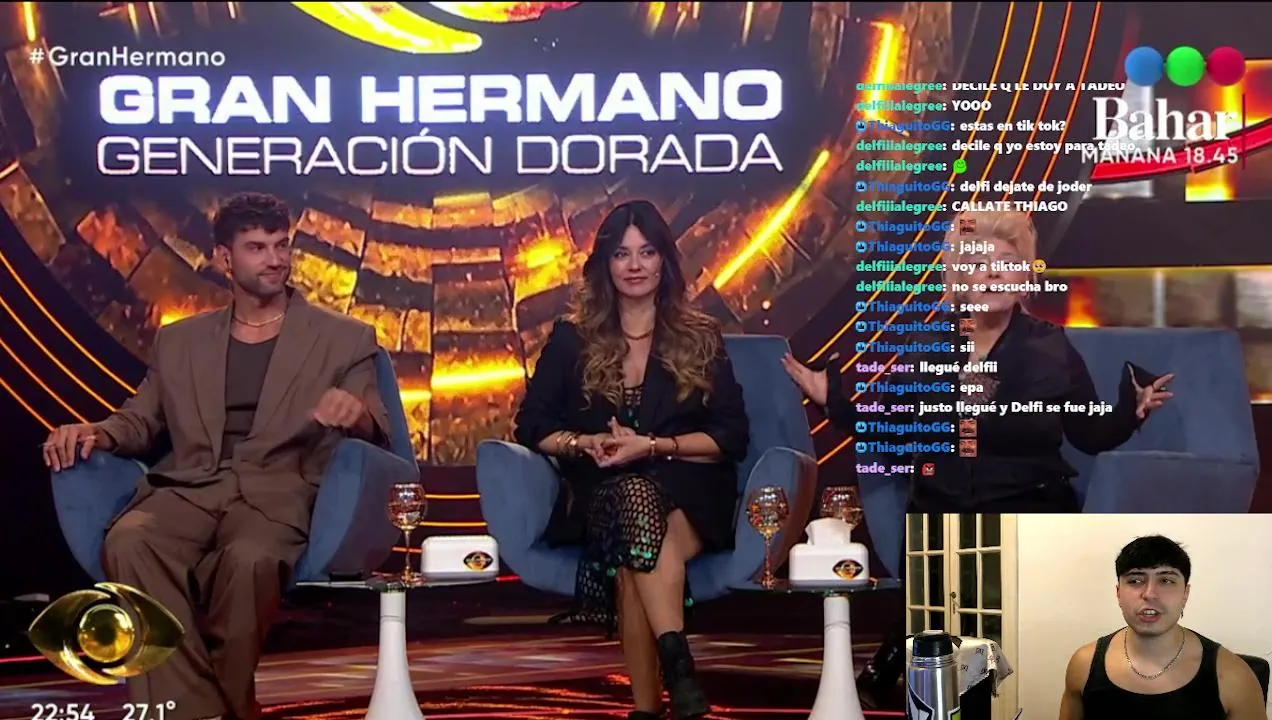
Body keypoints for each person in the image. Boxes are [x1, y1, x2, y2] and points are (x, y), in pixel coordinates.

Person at [42, 192, 392, 720]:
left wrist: (355, 413)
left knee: (248, 561)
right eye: (257, 248)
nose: (275, 259)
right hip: (189, 489)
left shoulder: (344, 338)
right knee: (129, 541)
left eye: (281, 245)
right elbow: (141, 421)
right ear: (225, 259)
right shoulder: (180, 342)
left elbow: (378, 427)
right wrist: (97, 434)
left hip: (277, 493)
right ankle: (211, 710)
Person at [512, 200, 749, 720]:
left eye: (647, 252)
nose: (635, 265)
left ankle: (647, 710)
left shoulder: (700, 336)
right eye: (621, 254)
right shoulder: (572, 339)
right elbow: (530, 424)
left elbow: (731, 436)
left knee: (633, 552)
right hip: (604, 492)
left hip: (692, 492)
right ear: (605, 264)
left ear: (665, 260)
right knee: (633, 515)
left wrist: (654, 446)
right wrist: (584, 442)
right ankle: (678, 670)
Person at [782, 209, 1175, 512]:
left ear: (1025, 278)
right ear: (959, 283)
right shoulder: (926, 346)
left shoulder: (1050, 346)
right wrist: (834, 403)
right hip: (940, 518)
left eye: (1006, 262)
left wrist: (1131, 411)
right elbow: (894, 435)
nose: (992, 274)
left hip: (1032, 517)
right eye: (976, 265)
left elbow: (1089, 435)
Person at [1058, 535, 1266, 720]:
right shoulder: (1084, 664)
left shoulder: (1233, 676)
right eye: (1135, 580)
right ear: (1118, 593)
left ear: (1185, 594)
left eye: (1166, 580)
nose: (1149, 594)